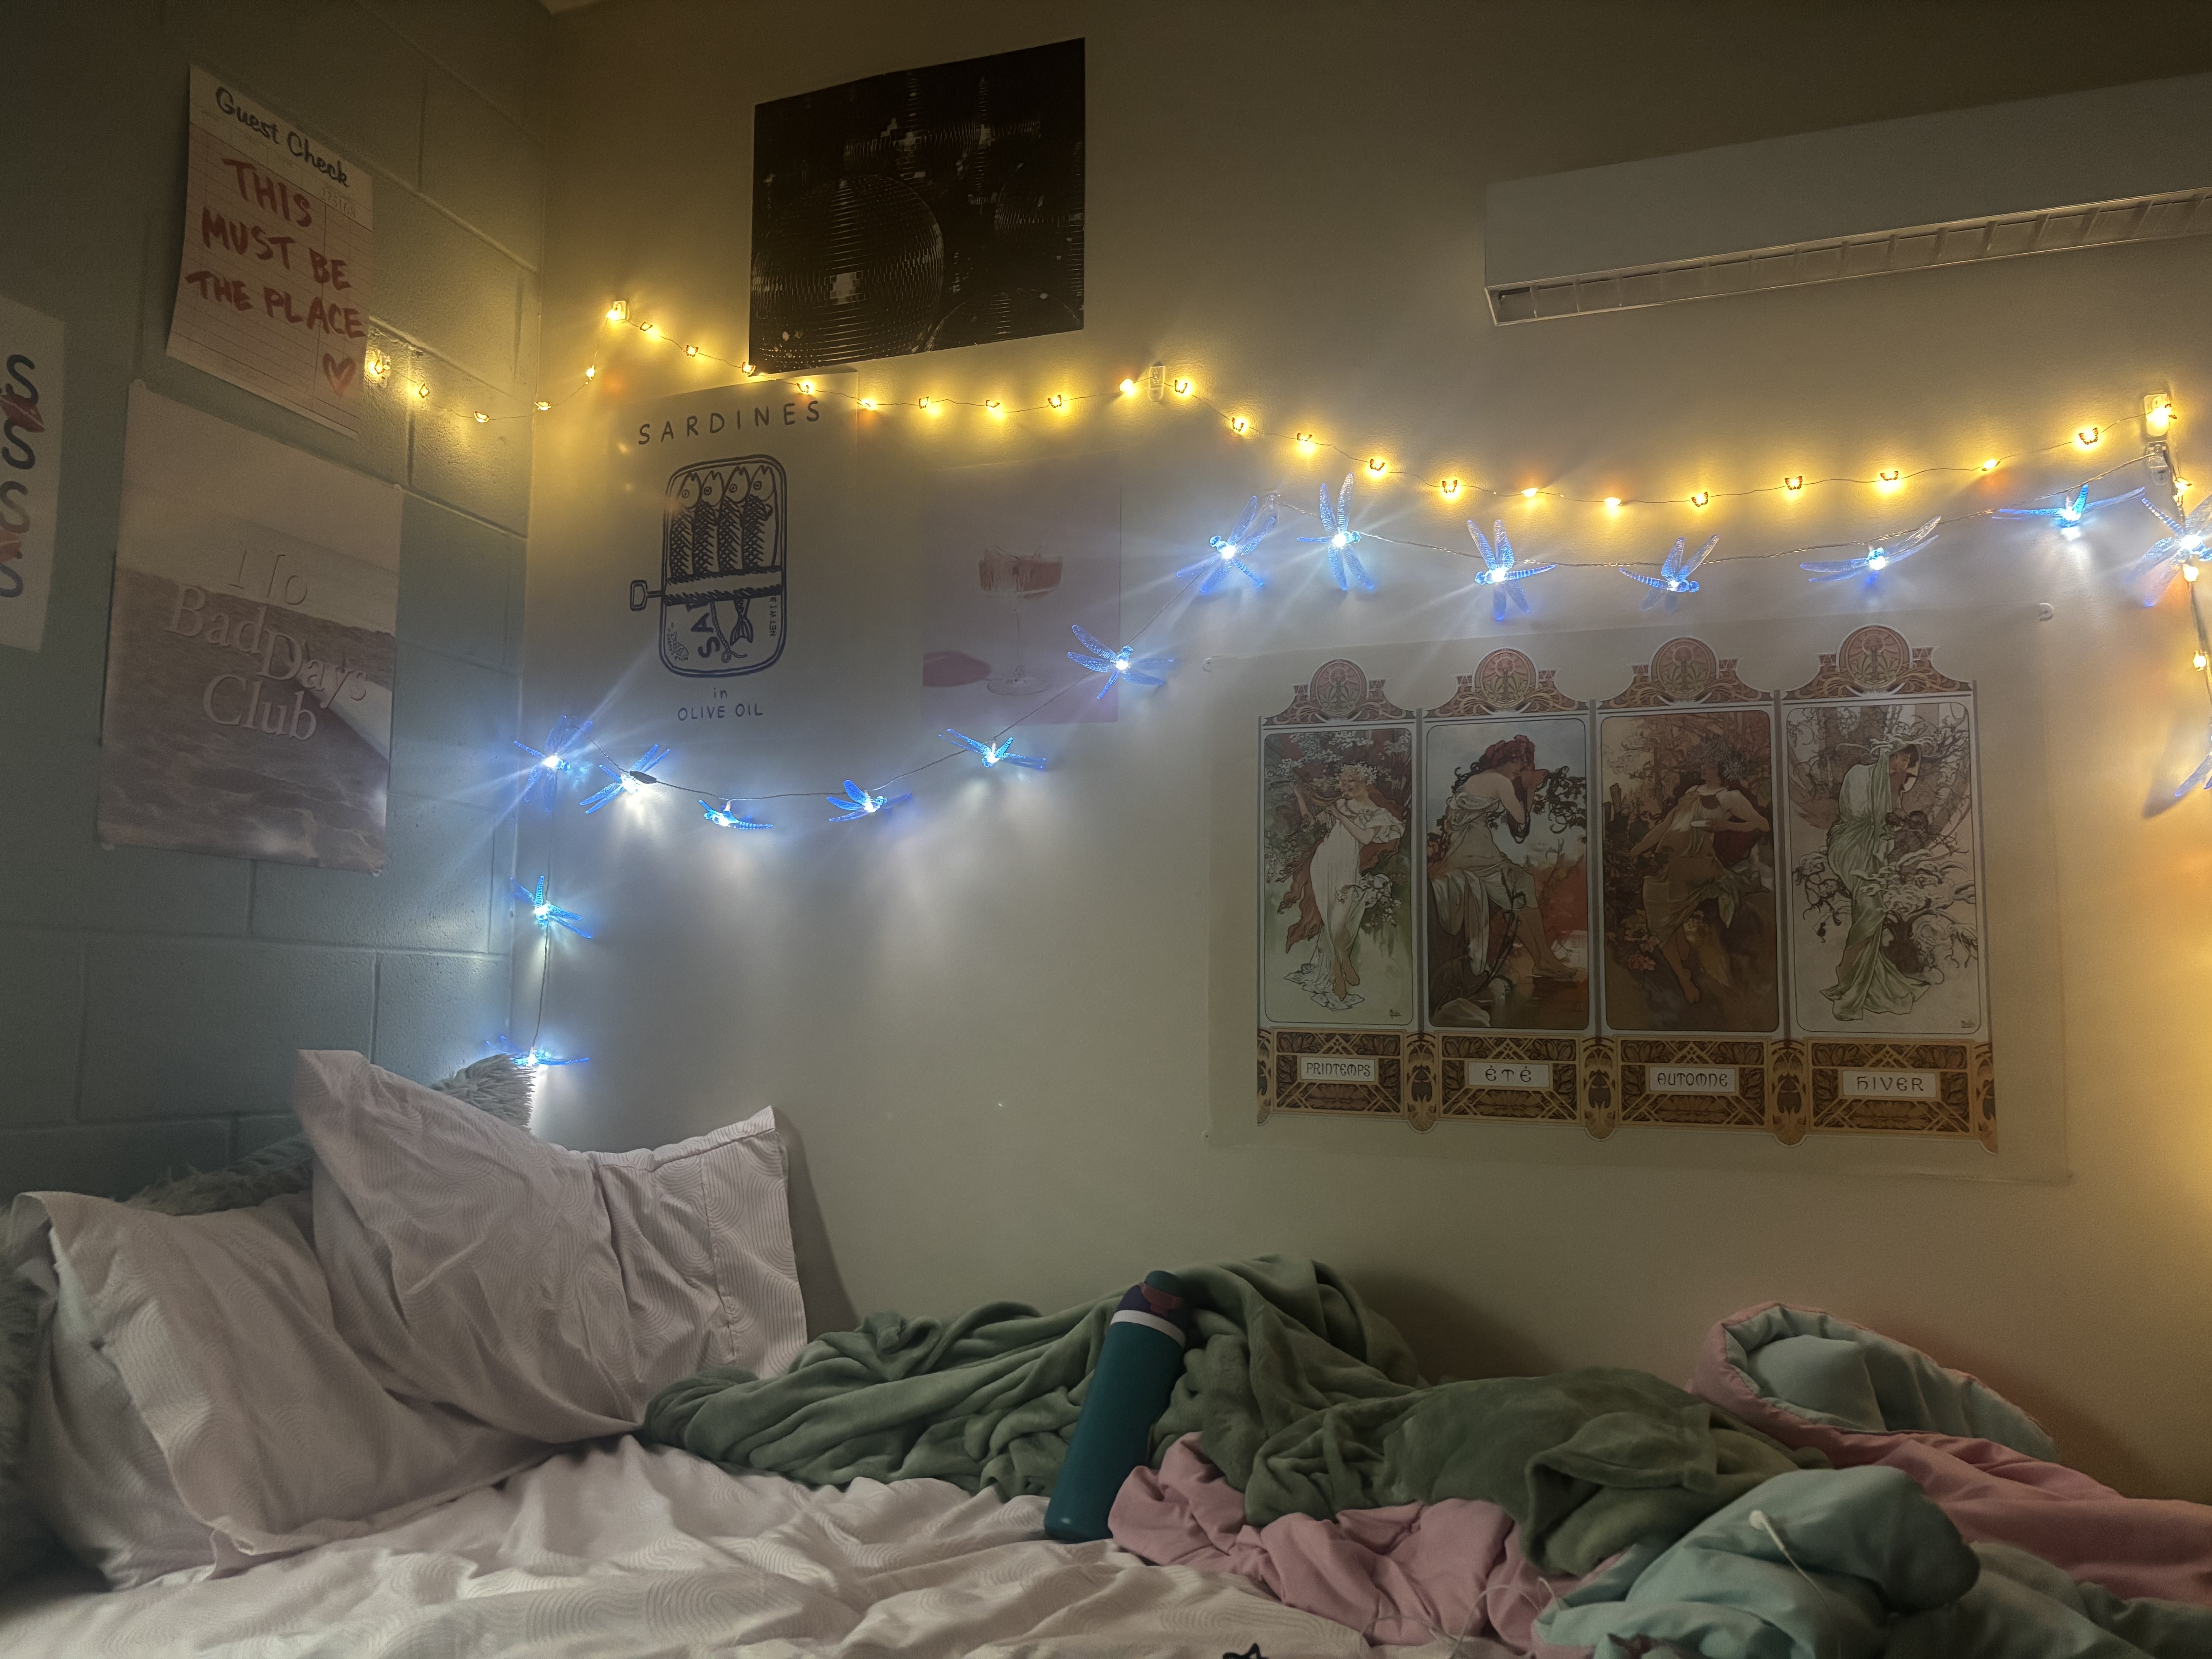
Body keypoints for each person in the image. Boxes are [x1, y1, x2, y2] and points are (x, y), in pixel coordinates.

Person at [1428, 735, 1577, 1001]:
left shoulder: (1484, 779)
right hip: (1473, 855)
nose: (1519, 771)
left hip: (1472, 849)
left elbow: (1515, 829)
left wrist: (1526, 785)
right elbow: (1521, 822)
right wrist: (1530, 788)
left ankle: (1544, 959)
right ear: (1505, 761)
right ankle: (1545, 960)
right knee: (1519, 890)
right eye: (1517, 765)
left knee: (1524, 887)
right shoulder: (1499, 782)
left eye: (1523, 767)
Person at [1628, 751, 1769, 1004]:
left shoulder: (1730, 797)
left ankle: (1684, 980)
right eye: (1704, 762)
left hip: (1698, 862)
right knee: (1655, 895)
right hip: (1670, 860)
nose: (1705, 766)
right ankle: (1681, 963)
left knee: (1663, 893)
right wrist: (1635, 851)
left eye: (1711, 763)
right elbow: (1664, 827)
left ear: (1723, 767)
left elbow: (1763, 824)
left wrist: (1727, 826)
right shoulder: (1692, 791)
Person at [1281, 763, 1405, 1010]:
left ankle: (1343, 960)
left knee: (1339, 924)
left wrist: (1340, 817)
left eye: (1351, 782)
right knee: (1329, 922)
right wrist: (1300, 797)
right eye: (1343, 782)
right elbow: (1310, 825)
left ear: (1366, 783)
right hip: (1323, 864)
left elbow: (1365, 838)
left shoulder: (1378, 814)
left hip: (1347, 868)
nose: (1345, 787)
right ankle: (1338, 973)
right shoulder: (1340, 804)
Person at [1822, 743, 1927, 1020]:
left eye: (1907, 760)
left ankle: (1854, 979)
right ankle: (1848, 976)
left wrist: (1904, 818)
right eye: (1900, 757)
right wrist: (1886, 817)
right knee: (1871, 909)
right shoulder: (1859, 773)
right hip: (1850, 845)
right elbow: (1856, 813)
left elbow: (1895, 810)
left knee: (1872, 910)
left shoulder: (1894, 781)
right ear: (1888, 754)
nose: (1903, 765)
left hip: (1873, 849)